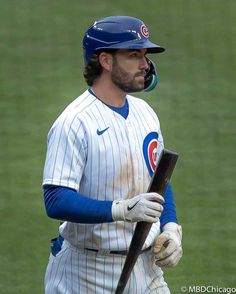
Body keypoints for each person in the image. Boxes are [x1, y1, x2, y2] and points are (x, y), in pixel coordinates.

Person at [42, 15, 183, 294]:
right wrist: (121, 209)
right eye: (134, 55)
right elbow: (55, 200)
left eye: (144, 55)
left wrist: (170, 227)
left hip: (147, 268)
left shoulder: (146, 114)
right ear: (105, 61)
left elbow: (158, 179)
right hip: (86, 274)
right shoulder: (74, 123)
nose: (145, 64)